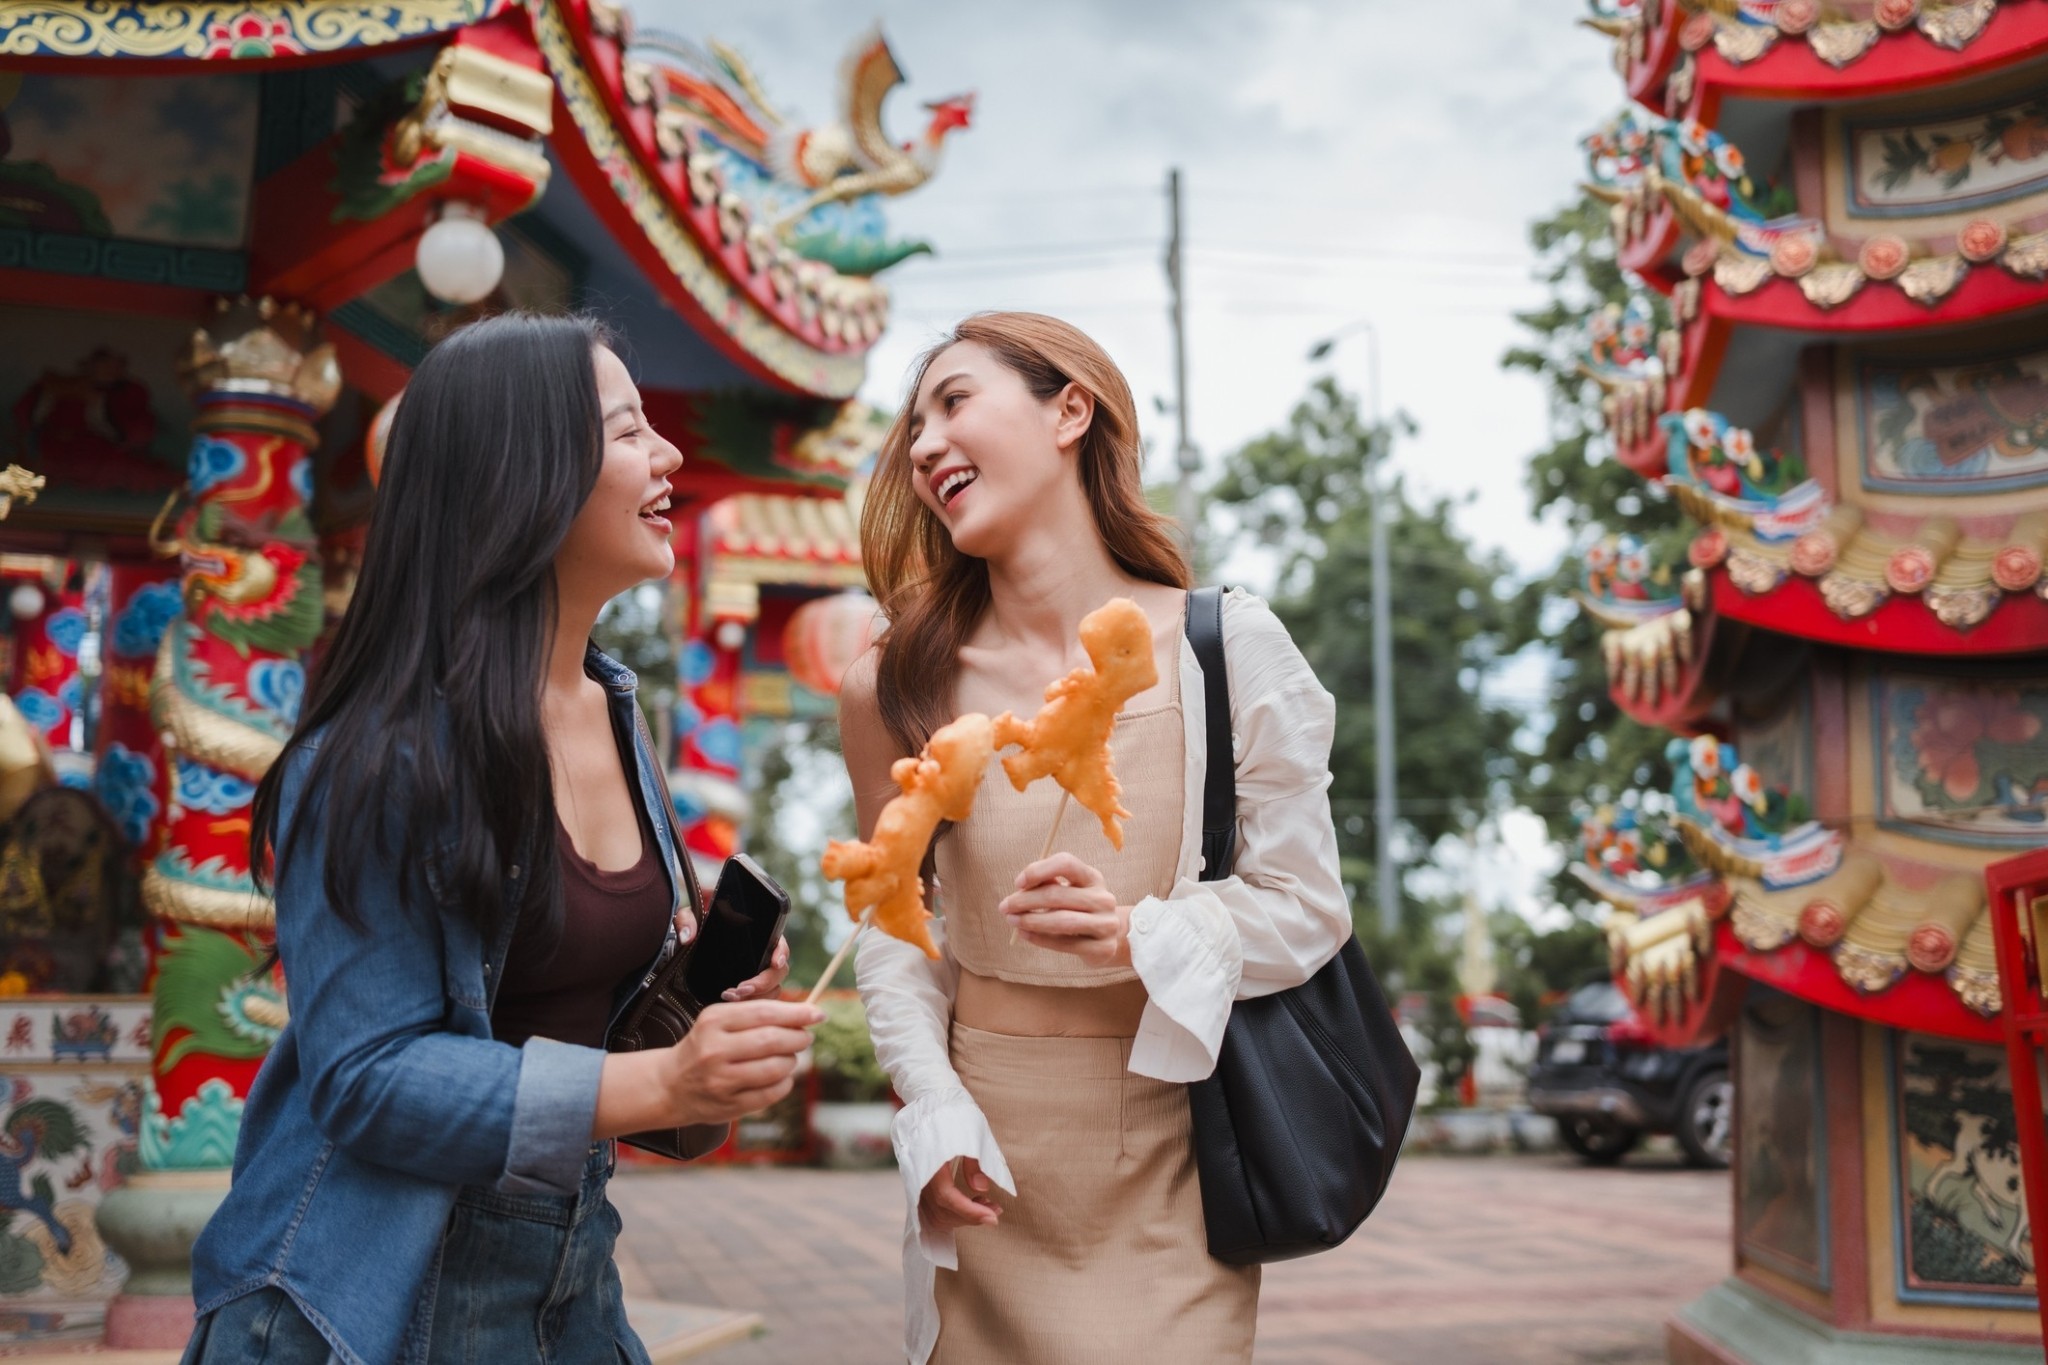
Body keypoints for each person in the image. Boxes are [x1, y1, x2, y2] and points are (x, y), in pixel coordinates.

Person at [184, 313, 820, 1365]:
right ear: (518, 475)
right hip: (370, 1297)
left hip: (569, 1267)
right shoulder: (376, 755)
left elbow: (584, 1025)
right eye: (626, 431)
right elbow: (368, 1077)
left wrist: (700, 1015)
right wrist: (658, 1085)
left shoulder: (621, 717)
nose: (666, 456)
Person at [844, 312, 1353, 1364]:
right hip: (982, 1152)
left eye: (954, 402)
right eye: (912, 427)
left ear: (1069, 408)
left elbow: (1307, 907)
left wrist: (1139, 932)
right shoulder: (897, 682)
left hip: (1173, 1152)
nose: (924, 443)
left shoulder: (1224, 647)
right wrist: (933, 1110)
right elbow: (894, 924)